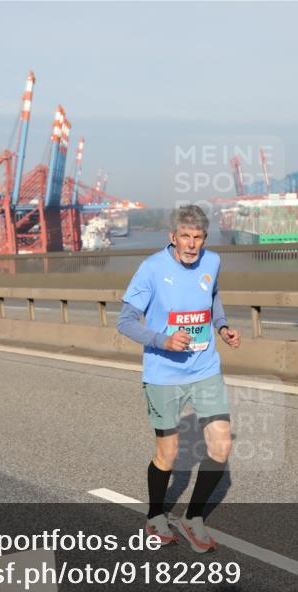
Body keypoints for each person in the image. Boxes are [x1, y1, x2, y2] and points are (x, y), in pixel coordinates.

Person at [117, 205, 241, 553]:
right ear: (172, 237)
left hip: (204, 369)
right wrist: (163, 340)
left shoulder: (212, 262)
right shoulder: (152, 269)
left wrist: (222, 327)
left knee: (222, 446)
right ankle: (156, 515)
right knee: (167, 454)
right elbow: (125, 321)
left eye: (198, 237)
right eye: (184, 237)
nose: (191, 244)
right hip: (164, 373)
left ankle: (193, 517)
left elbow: (212, 297)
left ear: (205, 239)